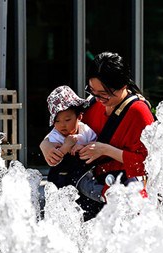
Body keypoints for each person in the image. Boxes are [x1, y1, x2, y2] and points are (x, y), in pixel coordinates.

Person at [40, 52, 154, 220]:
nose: (98, 98)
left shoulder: (139, 112)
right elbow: (69, 130)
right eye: (92, 91)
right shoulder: (93, 103)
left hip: (121, 191)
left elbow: (148, 163)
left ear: (122, 86)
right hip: (89, 185)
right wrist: (45, 145)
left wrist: (105, 150)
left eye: (104, 93)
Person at [44, 85, 98, 188]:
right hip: (60, 177)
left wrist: (83, 147)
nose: (62, 125)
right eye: (57, 121)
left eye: (67, 120)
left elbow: (96, 145)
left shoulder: (85, 130)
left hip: (83, 175)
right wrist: (66, 146)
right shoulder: (55, 135)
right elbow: (53, 161)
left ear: (79, 117)